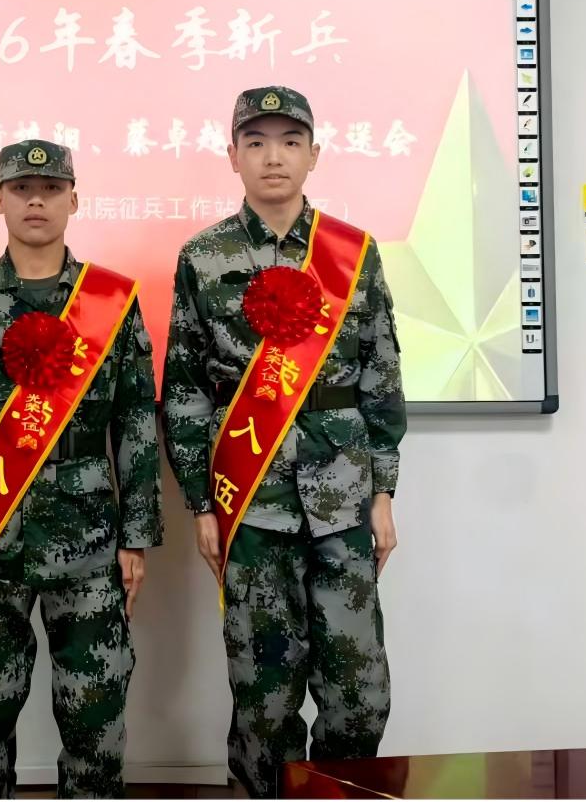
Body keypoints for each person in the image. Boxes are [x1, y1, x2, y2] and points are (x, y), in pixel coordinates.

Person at [161, 86, 407, 798]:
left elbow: (381, 375)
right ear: (232, 155)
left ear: (314, 154)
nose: (274, 157)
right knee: (263, 700)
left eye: (290, 141)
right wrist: (202, 504)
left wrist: (384, 491)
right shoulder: (202, 257)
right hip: (250, 504)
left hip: (343, 500)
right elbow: (185, 391)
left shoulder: (352, 254)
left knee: (359, 695)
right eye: (257, 142)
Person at [0, 139, 162, 798]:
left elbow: (135, 423)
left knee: (95, 722)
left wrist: (136, 538)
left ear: (74, 200)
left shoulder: (110, 300)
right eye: (22, 189)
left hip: (89, 538)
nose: (36, 200)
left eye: (52, 189)